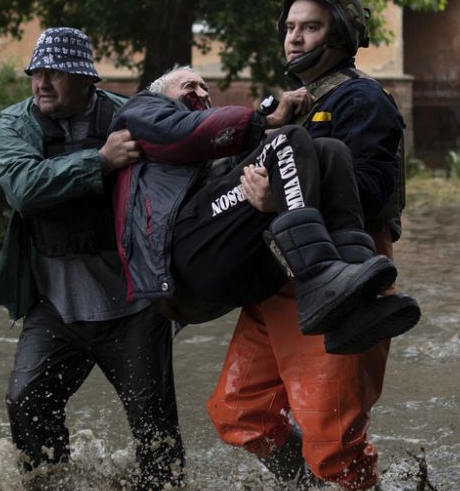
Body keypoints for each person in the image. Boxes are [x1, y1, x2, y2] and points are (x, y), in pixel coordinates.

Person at [205, 0, 419, 491]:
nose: (295, 38)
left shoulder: (362, 100)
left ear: (341, 34)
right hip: (276, 276)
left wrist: (284, 198)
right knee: (238, 413)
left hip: (344, 277)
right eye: (291, 28)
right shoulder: (284, 107)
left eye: (312, 27)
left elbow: (371, 190)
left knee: (334, 445)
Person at [0, 27, 184, 491]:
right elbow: (23, 188)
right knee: (25, 400)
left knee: (155, 427)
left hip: (134, 308)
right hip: (56, 308)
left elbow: (190, 155)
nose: (42, 82)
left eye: (54, 73)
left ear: (85, 80)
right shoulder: (16, 124)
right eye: (36, 71)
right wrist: (99, 162)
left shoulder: (128, 116)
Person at [110, 66, 418, 352]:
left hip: (233, 265)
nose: (202, 92)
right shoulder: (141, 111)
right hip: (184, 260)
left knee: (329, 150)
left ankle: (357, 301)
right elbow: (178, 131)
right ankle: (316, 281)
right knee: (289, 139)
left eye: (206, 87)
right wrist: (264, 121)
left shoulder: (207, 155)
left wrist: (272, 191)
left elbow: (227, 176)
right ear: (158, 94)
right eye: (190, 86)